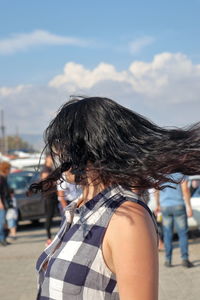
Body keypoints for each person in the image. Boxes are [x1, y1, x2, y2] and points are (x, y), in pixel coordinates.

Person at [30, 97, 200, 300]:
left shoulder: (126, 218)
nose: (57, 152)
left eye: (62, 144)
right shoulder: (80, 210)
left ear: (89, 147)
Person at [155, 173, 194, 268]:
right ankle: (185, 259)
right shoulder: (181, 173)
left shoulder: (160, 173)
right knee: (183, 234)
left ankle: (168, 260)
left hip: (165, 206)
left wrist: (158, 205)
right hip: (178, 205)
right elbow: (185, 189)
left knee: (168, 234)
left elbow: (156, 191)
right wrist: (189, 206)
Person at [41, 155, 58, 246]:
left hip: (53, 196)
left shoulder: (50, 168)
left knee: (51, 216)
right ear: (47, 159)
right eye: (50, 158)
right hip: (48, 197)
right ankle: (48, 238)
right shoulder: (46, 169)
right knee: (48, 217)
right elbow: (44, 181)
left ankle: (50, 237)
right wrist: (55, 182)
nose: (52, 159)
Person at [0, 161, 12, 246]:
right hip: (2, 203)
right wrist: (0, 203)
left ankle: (3, 238)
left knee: (4, 222)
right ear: (5, 169)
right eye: (9, 169)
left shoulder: (4, 177)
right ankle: (2, 239)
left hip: (5, 202)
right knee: (2, 222)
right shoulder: (0, 178)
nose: (10, 170)